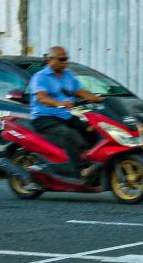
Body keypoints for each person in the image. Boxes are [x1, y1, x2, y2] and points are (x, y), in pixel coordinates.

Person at [30, 46, 101, 174]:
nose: (65, 63)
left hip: (65, 116)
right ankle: (82, 169)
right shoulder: (40, 77)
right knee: (69, 135)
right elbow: (42, 98)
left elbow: (80, 92)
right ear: (51, 60)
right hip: (45, 118)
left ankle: (91, 159)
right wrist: (59, 103)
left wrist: (97, 98)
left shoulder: (68, 75)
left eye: (66, 59)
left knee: (93, 128)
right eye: (62, 60)